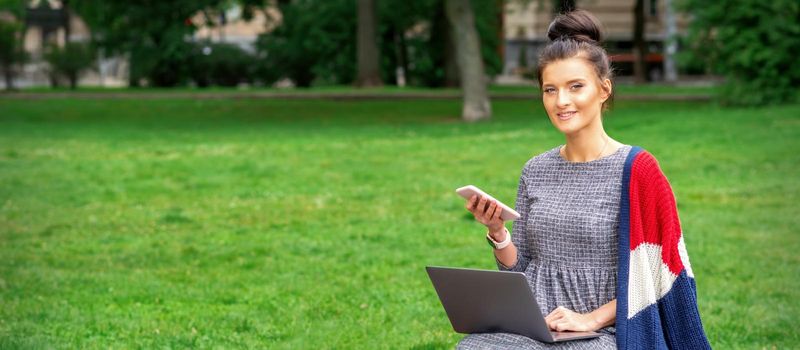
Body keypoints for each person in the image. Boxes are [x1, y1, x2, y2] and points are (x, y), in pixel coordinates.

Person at [457, 10, 710, 350]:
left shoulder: (638, 169)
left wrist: (589, 319)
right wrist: (498, 233)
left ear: (604, 89)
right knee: (472, 347)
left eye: (576, 86)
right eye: (550, 89)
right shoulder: (535, 169)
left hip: (607, 330)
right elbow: (522, 268)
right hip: (537, 324)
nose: (561, 101)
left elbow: (662, 278)